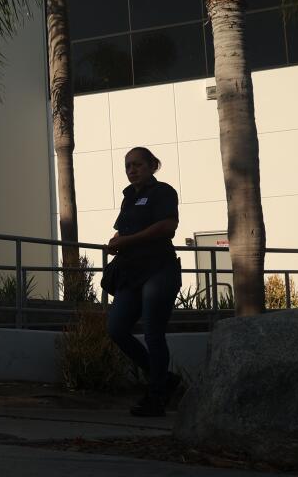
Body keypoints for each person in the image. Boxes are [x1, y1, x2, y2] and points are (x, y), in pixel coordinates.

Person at [105, 147, 182, 417]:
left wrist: (128, 241)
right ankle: (165, 379)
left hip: (159, 269)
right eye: (127, 166)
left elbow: (167, 226)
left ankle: (157, 395)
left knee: (153, 332)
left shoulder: (163, 192)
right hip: (131, 273)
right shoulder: (129, 197)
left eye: (137, 164)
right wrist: (116, 242)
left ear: (152, 165)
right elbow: (124, 229)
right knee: (116, 328)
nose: (131, 170)